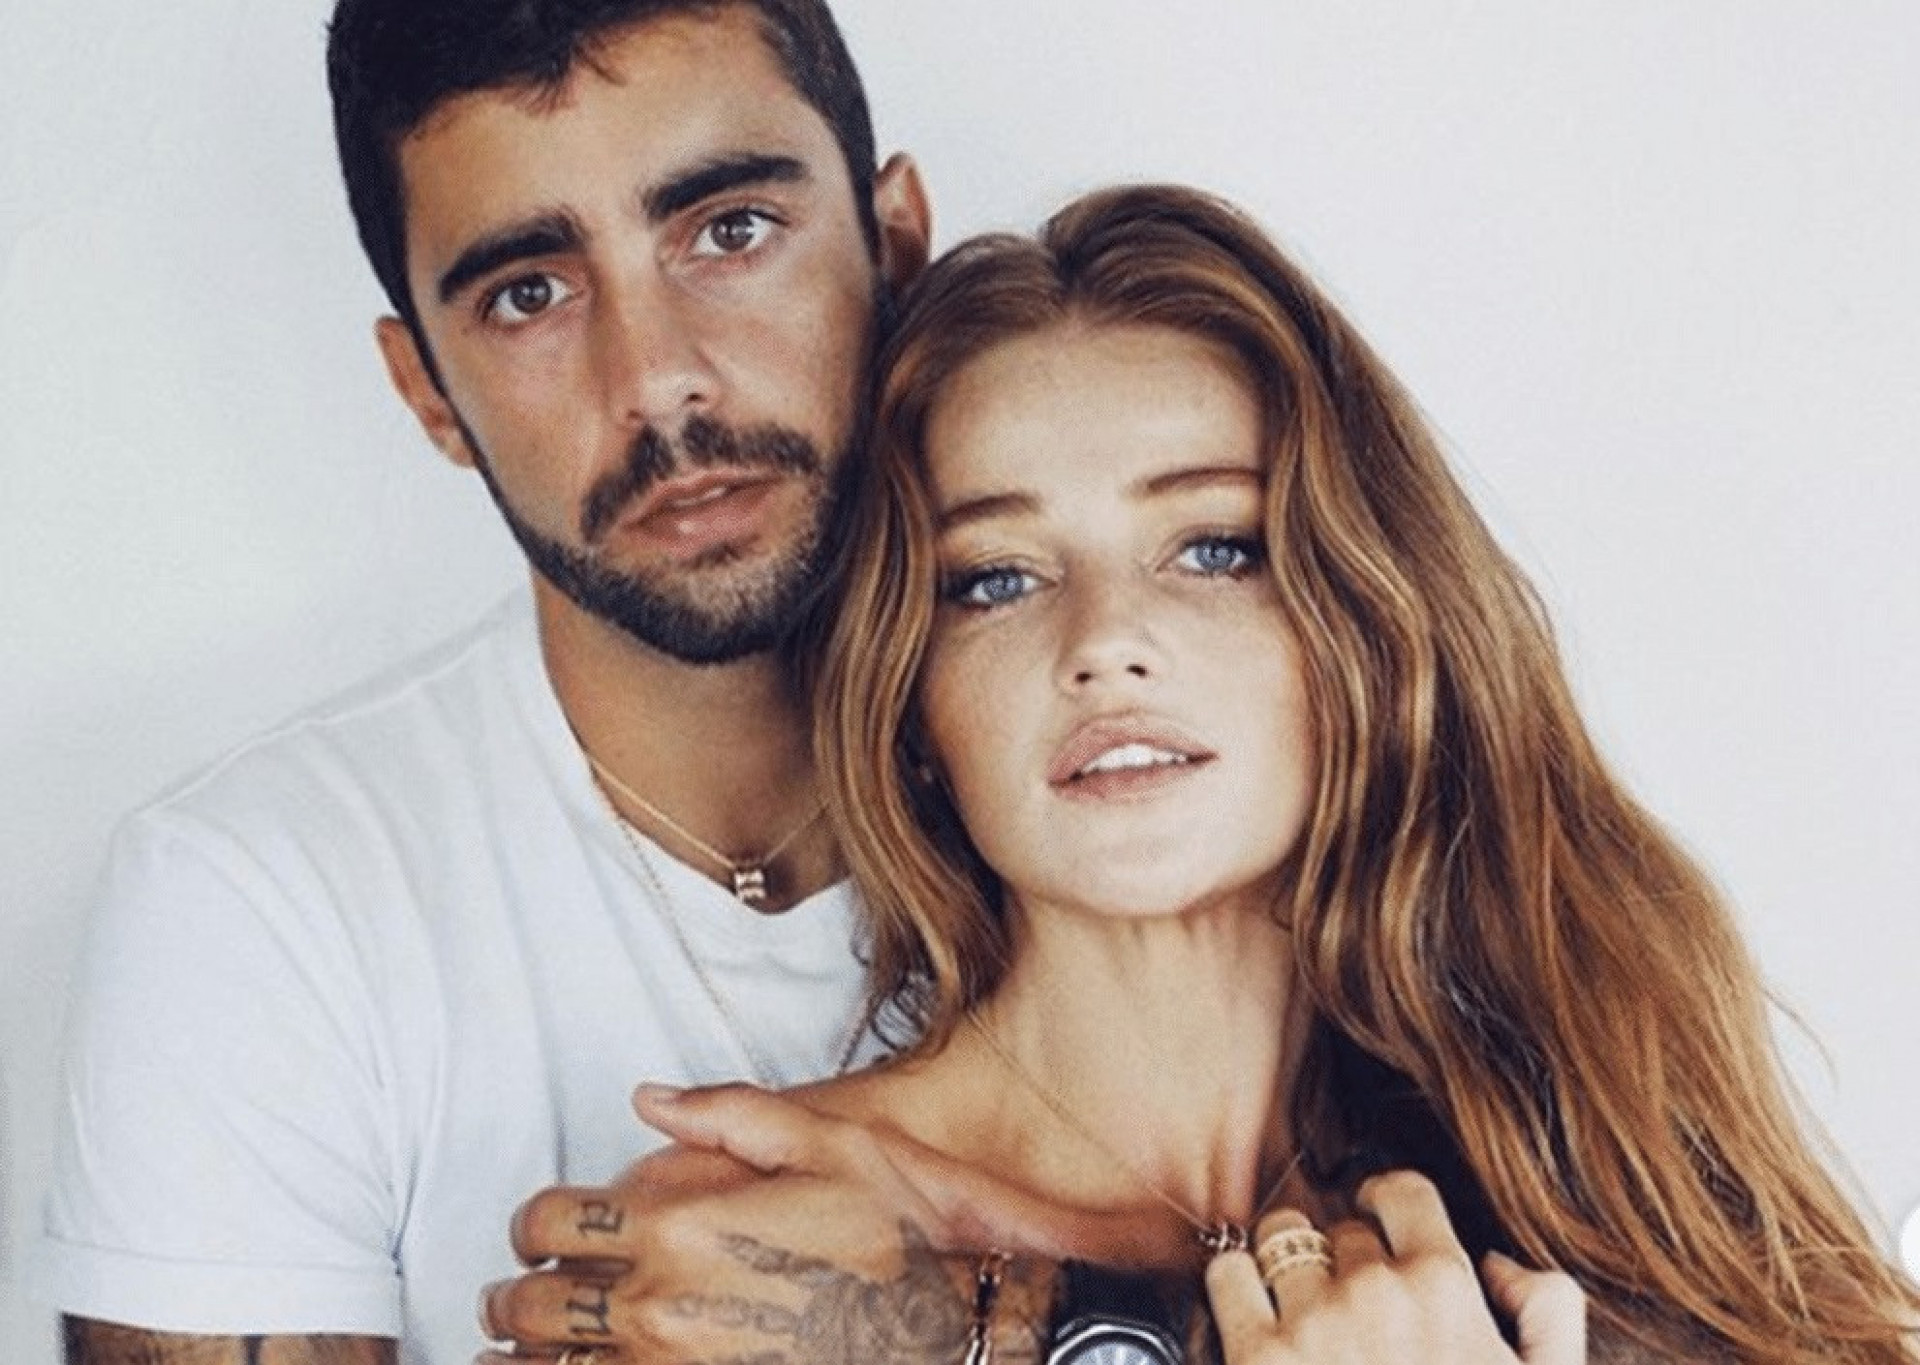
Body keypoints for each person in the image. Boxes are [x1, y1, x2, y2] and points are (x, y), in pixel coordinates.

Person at [484, 187, 1920, 1364]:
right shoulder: (758, 1261)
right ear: (911, 700)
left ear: (1361, 630)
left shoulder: (1604, 1160)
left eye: (1215, 549)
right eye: (995, 578)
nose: (1105, 643)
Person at [38, 1, 938, 1361]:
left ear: (898, 245)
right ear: (426, 392)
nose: (659, 381)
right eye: (529, 293)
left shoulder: (1163, 768)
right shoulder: (264, 900)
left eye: (731, 230)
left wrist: (964, 1325)